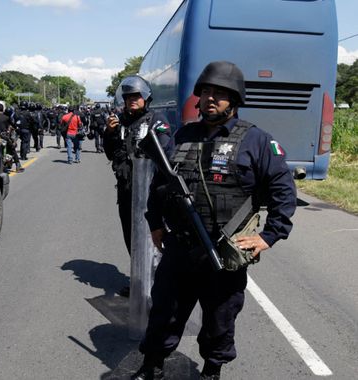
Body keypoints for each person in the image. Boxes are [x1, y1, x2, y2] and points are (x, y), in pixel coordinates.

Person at [131, 61, 297, 380]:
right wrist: (155, 223)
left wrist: (268, 237)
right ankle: (152, 364)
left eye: (219, 93)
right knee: (165, 311)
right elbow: (160, 184)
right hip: (180, 246)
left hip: (223, 250)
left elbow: (283, 191)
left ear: (234, 100)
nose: (210, 98)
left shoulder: (256, 141)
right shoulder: (183, 135)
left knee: (220, 318)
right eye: (205, 91)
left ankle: (212, 369)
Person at [104, 75, 171, 297]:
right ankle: (140, 281)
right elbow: (111, 152)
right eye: (128, 97)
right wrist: (110, 133)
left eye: (136, 96)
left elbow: (164, 153)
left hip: (149, 193)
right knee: (131, 238)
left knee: (151, 240)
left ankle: (158, 284)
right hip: (126, 191)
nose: (132, 100)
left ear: (145, 97)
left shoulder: (156, 120)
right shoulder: (120, 121)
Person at [0, 102, 23, 173]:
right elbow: (13, 125)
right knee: (13, 150)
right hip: (4, 137)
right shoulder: (6, 117)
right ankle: (18, 166)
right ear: (3, 109)